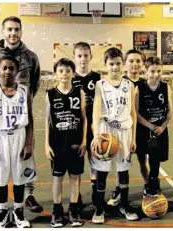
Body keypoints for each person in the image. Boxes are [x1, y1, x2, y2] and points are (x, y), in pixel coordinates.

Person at [0, 16, 43, 218]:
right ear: (3, 32)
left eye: (16, 29)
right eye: (9, 29)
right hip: (0, 117)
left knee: (25, 156)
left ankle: (28, 195)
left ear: (21, 31)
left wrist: (24, 102)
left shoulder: (31, 57)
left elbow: (34, 83)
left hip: (21, 115)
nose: (13, 33)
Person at [0, 55, 35, 228]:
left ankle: (19, 213)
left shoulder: (24, 90)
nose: (8, 72)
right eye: (4, 68)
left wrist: (29, 143)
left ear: (17, 71)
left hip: (19, 137)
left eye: (11, 68)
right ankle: (2, 213)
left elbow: (30, 119)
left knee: (20, 177)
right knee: (0, 179)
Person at [90, 47, 138, 223]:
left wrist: (133, 137)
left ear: (123, 64)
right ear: (106, 65)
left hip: (124, 132)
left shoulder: (129, 85)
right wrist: (96, 134)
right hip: (105, 132)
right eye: (111, 64)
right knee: (102, 172)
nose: (115, 67)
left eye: (118, 63)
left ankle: (123, 205)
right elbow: (95, 111)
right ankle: (99, 209)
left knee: (123, 171)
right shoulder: (100, 85)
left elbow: (132, 112)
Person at [45, 58, 87, 227]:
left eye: (68, 71)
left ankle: (73, 210)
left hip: (75, 142)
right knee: (58, 178)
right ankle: (57, 211)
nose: (65, 74)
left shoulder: (79, 92)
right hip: (57, 143)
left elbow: (84, 119)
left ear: (73, 73)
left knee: (75, 178)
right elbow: (47, 122)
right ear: (56, 74)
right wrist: (47, 145)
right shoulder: (50, 94)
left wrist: (84, 140)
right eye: (61, 71)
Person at [108, 49, 147, 206]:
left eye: (138, 61)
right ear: (125, 64)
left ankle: (147, 186)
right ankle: (118, 189)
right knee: (121, 162)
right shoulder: (120, 83)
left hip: (141, 128)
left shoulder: (145, 84)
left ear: (142, 64)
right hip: (123, 130)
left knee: (143, 160)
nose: (134, 64)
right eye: (131, 61)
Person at [135, 56, 172, 196]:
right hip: (144, 129)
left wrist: (162, 126)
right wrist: (150, 126)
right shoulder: (139, 88)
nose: (156, 74)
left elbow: (170, 111)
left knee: (156, 159)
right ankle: (147, 184)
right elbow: (136, 113)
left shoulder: (165, 86)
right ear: (146, 71)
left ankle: (154, 183)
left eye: (158, 71)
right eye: (152, 71)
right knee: (143, 159)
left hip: (160, 129)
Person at [71, 42, 101, 212]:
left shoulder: (97, 78)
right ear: (74, 57)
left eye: (85, 55)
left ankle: (96, 194)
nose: (82, 59)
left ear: (91, 56)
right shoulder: (70, 77)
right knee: (76, 164)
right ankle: (77, 197)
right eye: (79, 56)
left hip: (92, 127)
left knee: (94, 160)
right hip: (75, 128)